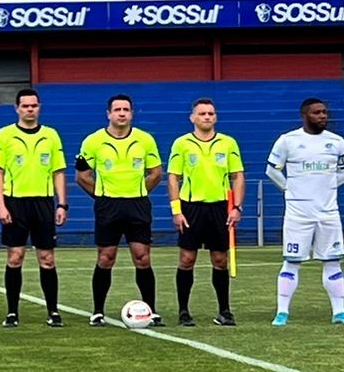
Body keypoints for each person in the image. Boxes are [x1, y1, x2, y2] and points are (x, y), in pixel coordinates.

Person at [266, 98, 344, 326]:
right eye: (317, 113)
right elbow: (272, 170)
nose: (323, 116)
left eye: (325, 112)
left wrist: (327, 186)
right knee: (292, 261)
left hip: (328, 213)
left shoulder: (336, 142)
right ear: (305, 115)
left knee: (333, 261)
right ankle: (282, 312)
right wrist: (290, 188)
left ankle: (339, 312)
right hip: (298, 214)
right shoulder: (288, 141)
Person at [75, 93, 164, 327]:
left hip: (137, 204)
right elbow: (82, 176)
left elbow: (156, 173)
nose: (122, 113)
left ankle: (151, 311)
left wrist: (139, 191)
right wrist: (102, 195)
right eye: (117, 110)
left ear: (132, 113)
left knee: (142, 257)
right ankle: (97, 311)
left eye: (126, 110)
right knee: (106, 258)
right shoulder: (92, 142)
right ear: (109, 114)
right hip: (108, 206)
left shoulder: (145, 140)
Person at [0, 88, 67, 328]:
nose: (29, 109)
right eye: (25, 106)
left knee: (47, 258)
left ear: (39, 107)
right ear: (17, 108)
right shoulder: (5, 135)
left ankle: (53, 311)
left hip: (43, 202)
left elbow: (58, 172)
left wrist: (61, 203)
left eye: (33, 105)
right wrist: (0, 205)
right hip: (15, 202)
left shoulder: (51, 136)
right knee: (15, 257)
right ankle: (12, 312)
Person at [167, 98, 245, 327]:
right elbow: (173, 177)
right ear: (192, 117)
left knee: (220, 260)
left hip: (220, 207)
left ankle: (225, 311)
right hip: (191, 207)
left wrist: (237, 207)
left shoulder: (228, 143)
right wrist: (176, 210)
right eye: (202, 114)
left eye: (211, 113)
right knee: (187, 259)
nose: (207, 117)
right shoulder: (182, 144)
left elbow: (237, 176)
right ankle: (183, 311)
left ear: (216, 117)